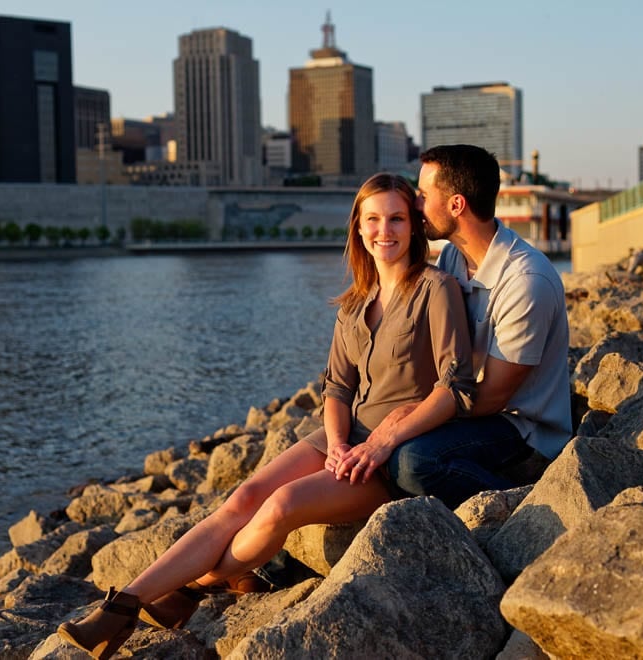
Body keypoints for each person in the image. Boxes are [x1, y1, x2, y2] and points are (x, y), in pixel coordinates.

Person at [56, 173, 475, 658]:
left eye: (397, 218)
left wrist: (376, 443)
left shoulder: (436, 289)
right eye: (373, 219)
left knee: (280, 507)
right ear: (358, 230)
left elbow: (455, 387)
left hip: (390, 451)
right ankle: (123, 605)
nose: (386, 230)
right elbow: (337, 387)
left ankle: (188, 590)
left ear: (414, 225)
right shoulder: (355, 302)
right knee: (247, 495)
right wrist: (337, 443)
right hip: (344, 437)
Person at [371, 144, 573, 509]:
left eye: (423, 195)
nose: (415, 205)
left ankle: (522, 509)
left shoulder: (526, 280)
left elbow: (494, 397)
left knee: (414, 461)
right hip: (462, 404)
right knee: (376, 432)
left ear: (456, 205)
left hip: (522, 429)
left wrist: (409, 417)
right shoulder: (452, 257)